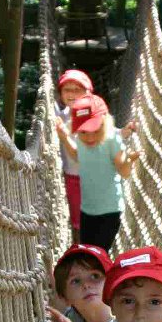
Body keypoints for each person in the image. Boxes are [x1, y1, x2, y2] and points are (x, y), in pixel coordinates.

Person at [55, 94, 140, 252]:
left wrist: (129, 160)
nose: (89, 137)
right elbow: (77, 155)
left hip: (109, 210)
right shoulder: (80, 139)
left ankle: (105, 276)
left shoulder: (112, 140)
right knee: (87, 251)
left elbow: (124, 171)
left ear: (105, 123)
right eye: (83, 132)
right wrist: (65, 138)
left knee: (98, 254)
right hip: (87, 209)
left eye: (95, 130)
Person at [56, 69, 94, 244]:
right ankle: (80, 252)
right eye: (67, 90)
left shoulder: (91, 119)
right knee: (76, 222)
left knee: (87, 221)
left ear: (87, 93)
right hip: (70, 177)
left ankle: (88, 253)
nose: (71, 94)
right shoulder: (60, 115)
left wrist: (63, 136)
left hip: (90, 178)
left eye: (77, 90)